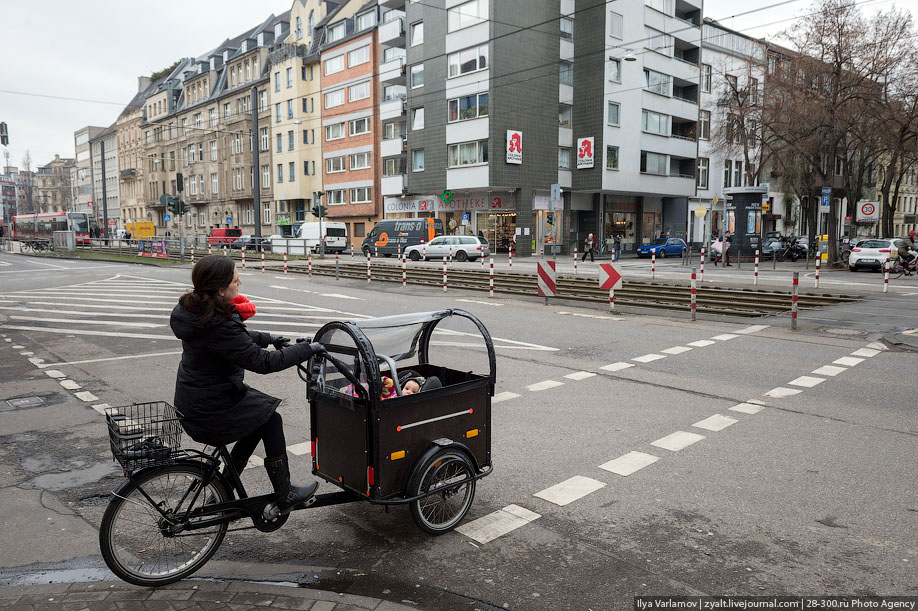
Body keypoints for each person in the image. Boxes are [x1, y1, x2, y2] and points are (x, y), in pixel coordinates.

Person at [170, 255, 326, 514]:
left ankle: (224, 490)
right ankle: (285, 494)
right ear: (220, 289)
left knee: (259, 419)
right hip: (211, 408)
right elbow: (263, 363)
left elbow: (234, 337)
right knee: (271, 419)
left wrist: (270, 337)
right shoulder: (217, 322)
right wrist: (307, 349)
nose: (240, 282)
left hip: (197, 400)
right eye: (235, 279)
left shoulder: (196, 311)